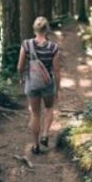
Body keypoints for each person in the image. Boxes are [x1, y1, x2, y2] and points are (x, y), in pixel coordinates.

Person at [17, 17, 61, 154]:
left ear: (34, 29)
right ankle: (45, 134)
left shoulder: (26, 44)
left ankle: (35, 146)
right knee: (49, 108)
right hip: (47, 83)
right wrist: (57, 89)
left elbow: (20, 66)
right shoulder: (53, 47)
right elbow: (56, 71)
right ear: (47, 29)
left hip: (32, 83)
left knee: (35, 114)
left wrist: (21, 78)